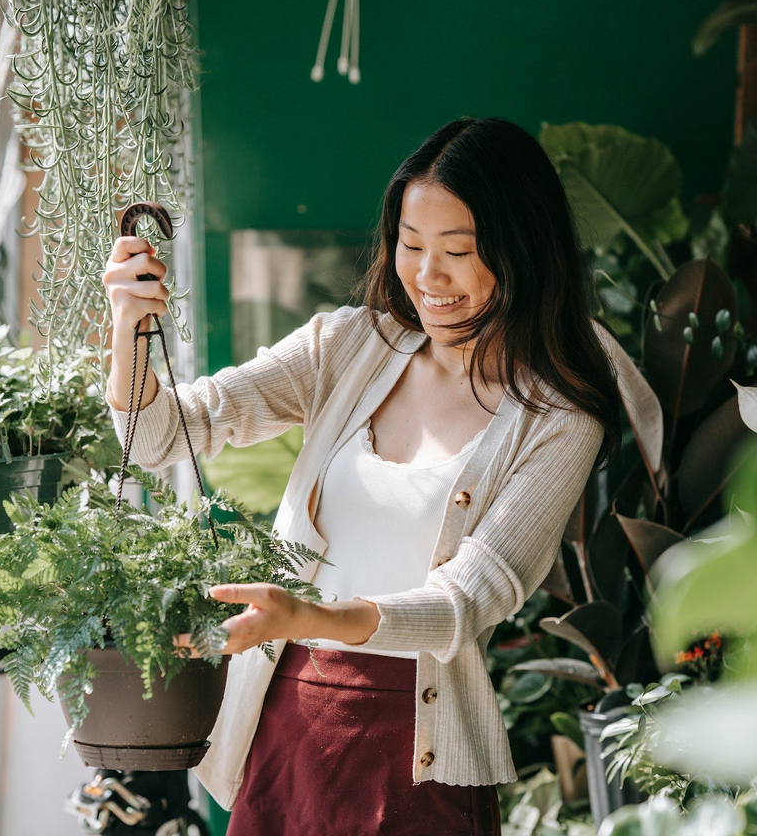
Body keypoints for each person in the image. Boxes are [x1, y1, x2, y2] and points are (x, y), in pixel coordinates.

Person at [103, 117, 623, 835]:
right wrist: (128, 324)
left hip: (417, 750)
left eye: (458, 251)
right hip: (286, 723)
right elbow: (161, 434)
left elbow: (465, 604)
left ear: (523, 253)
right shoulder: (350, 345)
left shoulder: (558, 421)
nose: (427, 277)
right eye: (411, 246)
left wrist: (308, 617)